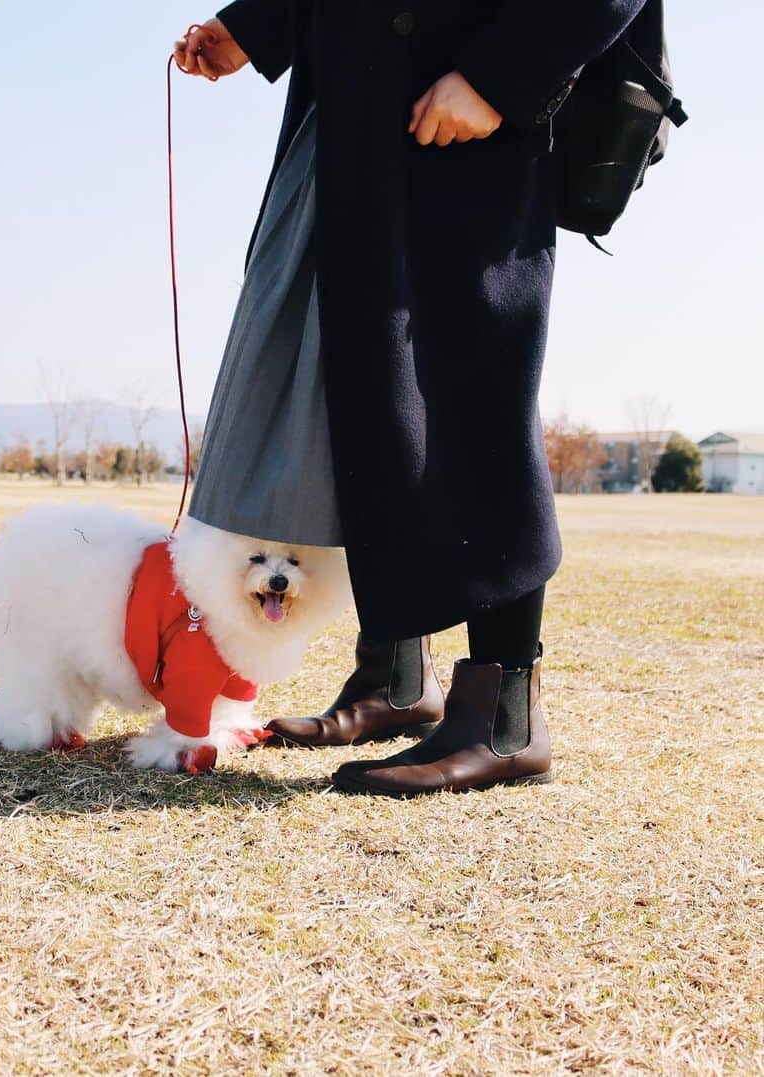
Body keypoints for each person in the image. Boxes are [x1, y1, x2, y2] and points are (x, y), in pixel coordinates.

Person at [175, 0, 645, 798]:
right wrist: (255, 26)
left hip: (467, 122)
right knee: (362, 394)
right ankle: (394, 677)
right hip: (354, 117)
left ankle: (506, 715)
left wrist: (499, 79)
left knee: (474, 396)